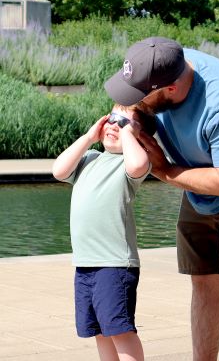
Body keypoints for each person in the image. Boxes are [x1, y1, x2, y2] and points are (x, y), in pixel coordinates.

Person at [104, 37, 219, 361]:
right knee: (204, 278)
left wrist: (165, 172)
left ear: (172, 90)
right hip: (197, 179)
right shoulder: (161, 62)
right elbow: (138, 108)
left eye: (140, 95)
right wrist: (131, 119)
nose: (132, 99)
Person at [52, 103, 156, 361]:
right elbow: (59, 170)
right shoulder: (90, 159)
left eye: (124, 123)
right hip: (86, 263)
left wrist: (129, 134)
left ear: (137, 136)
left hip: (115, 264)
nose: (114, 126)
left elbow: (137, 165)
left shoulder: (129, 164)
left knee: (120, 330)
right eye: (112, 119)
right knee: (99, 330)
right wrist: (89, 137)